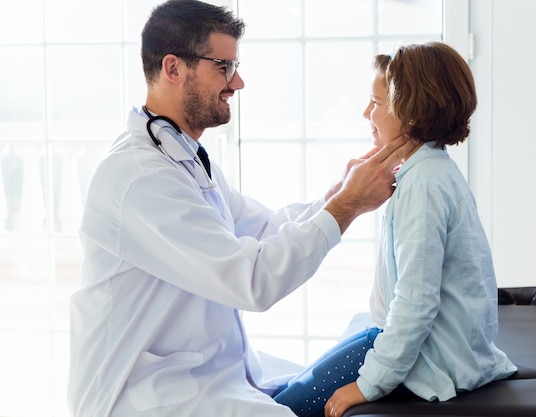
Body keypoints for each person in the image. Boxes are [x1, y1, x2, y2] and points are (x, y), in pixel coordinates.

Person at [66, 1, 418, 417]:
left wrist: (337, 193)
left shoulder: (183, 158)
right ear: (174, 69)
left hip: (204, 376)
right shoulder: (139, 178)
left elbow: (264, 230)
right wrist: (347, 206)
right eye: (225, 67)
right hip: (142, 397)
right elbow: (251, 279)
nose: (239, 82)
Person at [273, 42, 518, 417]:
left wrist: (369, 384)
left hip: (432, 362)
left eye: (376, 103)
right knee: (288, 388)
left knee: (285, 408)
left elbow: (416, 301)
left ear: (412, 113)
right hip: (433, 348)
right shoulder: (430, 169)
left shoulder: (423, 185)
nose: (366, 113)